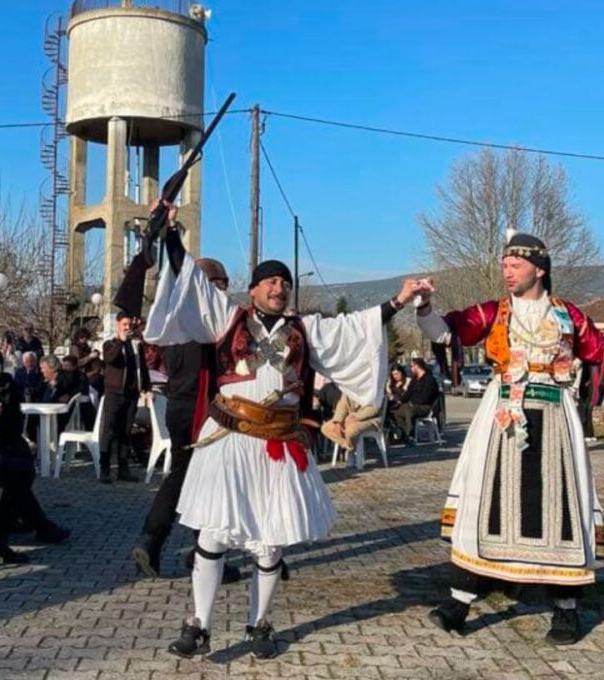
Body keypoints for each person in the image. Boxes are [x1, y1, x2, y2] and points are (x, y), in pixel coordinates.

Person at [144, 204, 411, 659]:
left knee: (270, 541)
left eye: (285, 282)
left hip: (280, 443)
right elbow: (188, 280)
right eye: (270, 280)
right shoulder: (227, 318)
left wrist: (398, 301)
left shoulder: (305, 330)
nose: (279, 286)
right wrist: (169, 234)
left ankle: (259, 624)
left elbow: (356, 329)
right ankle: (199, 624)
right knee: (213, 536)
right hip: (229, 440)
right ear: (253, 289)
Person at [416, 231, 604, 645]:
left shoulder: (569, 316)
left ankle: (565, 610)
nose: (507, 272)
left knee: (560, 507)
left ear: (538, 269)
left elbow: (603, 353)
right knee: (484, 503)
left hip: (556, 417)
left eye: (515, 265)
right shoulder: (492, 312)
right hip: (502, 417)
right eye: (504, 265)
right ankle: (459, 601)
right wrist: (424, 306)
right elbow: (445, 333)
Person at [130, 257, 240, 582]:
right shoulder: (204, 326)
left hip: (180, 405)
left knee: (186, 478)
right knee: (201, 482)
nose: (223, 290)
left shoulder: (173, 324)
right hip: (202, 410)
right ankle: (195, 553)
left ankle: (161, 543)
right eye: (220, 284)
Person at [0, 347, 70, 562]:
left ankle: (0, 537)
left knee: (22, 474)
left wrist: (2, 417)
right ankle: (18, 533)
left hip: (6, 448)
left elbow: (15, 425)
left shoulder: (10, 386)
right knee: (20, 479)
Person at [100, 312, 150, 483]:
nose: (127, 328)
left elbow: (142, 368)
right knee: (109, 430)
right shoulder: (110, 344)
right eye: (124, 325)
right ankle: (104, 468)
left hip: (131, 393)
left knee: (126, 432)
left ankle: (123, 468)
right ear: (118, 325)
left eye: (129, 325)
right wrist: (120, 341)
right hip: (114, 393)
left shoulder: (136, 345)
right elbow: (109, 359)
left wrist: (146, 387)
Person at [392, 357, 440, 444]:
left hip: (426, 407)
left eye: (412, 366)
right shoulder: (415, 379)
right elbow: (409, 392)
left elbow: (426, 396)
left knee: (409, 410)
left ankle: (410, 435)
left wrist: (413, 403)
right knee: (398, 412)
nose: (411, 369)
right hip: (413, 405)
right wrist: (400, 402)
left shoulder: (429, 379)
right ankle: (403, 434)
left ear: (417, 366)